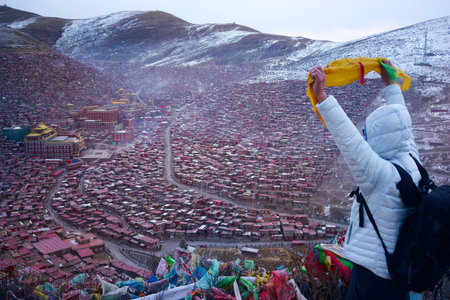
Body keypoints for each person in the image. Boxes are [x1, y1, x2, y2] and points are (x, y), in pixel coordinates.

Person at [310, 61, 421, 300]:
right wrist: (390, 84)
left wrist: (321, 95)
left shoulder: (380, 175)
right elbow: (402, 124)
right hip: (400, 272)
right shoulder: (413, 161)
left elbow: (349, 140)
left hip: (373, 277)